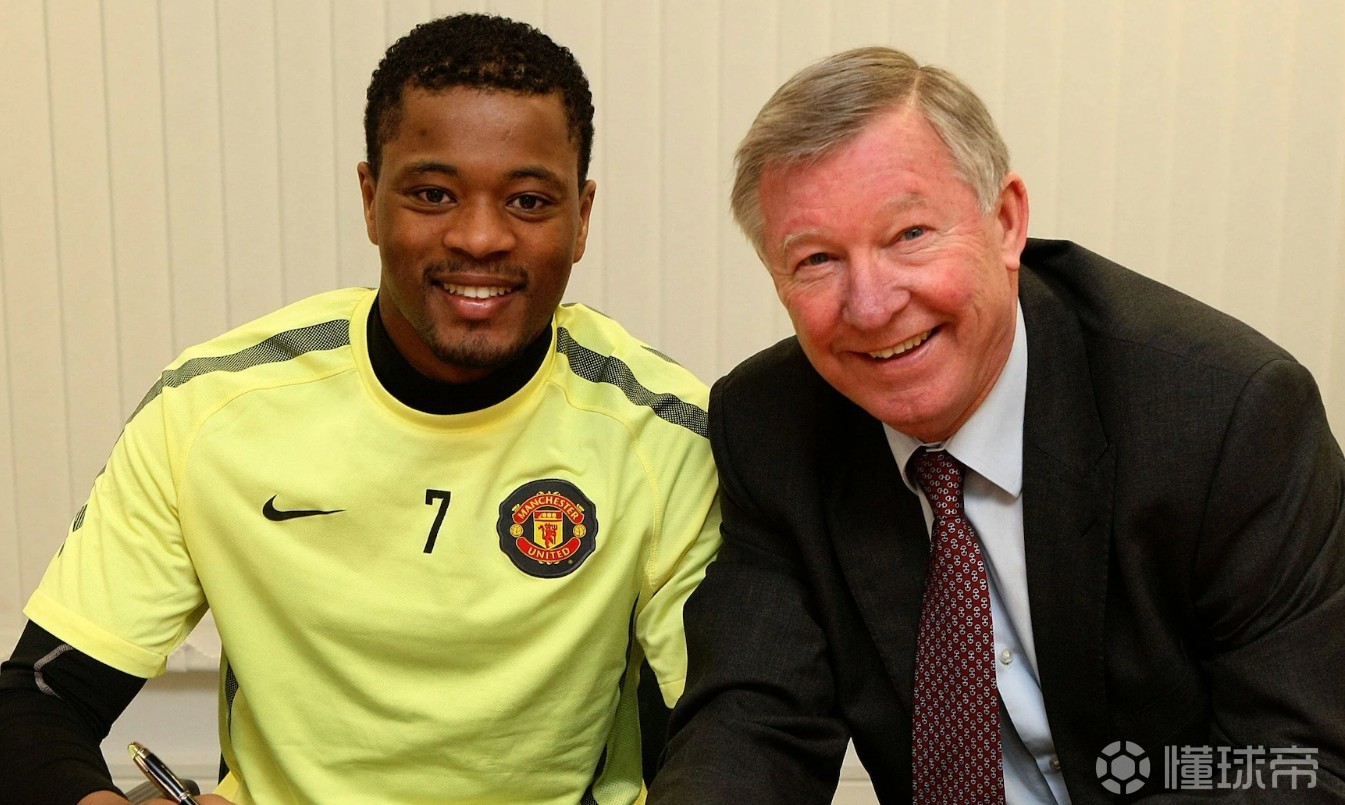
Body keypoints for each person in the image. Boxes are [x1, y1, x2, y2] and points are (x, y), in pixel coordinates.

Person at [0, 13, 720, 805]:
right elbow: (38, 700)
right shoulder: (209, 406)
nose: (480, 237)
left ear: (581, 217)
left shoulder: (665, 431)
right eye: (433, 194)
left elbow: (728, 733)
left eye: (527, 200)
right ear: (371, 199)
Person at [649, 46, 1345, 804]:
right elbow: (752, 723)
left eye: (909, 234)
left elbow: (1303, 763)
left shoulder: (1224, 414)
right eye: (817, 259)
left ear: (1006, 221)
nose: (872, 306)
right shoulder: (771, 425)